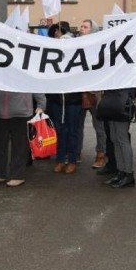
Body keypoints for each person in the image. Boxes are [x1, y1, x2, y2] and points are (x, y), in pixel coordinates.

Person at [0, 89, 45, 187]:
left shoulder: (25, 72)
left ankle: (17, 175)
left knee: (20, 145)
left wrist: (41, 104)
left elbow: (34, 80)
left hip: (20, 110)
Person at [46, 21, 83, 173]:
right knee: (60, 131)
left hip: (73, 101)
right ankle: (60, 159)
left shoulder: (76, 61)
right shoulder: (51, 60)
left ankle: (72, 160)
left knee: (72, 131)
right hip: (56, 100)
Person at [78, 19, 107, 169]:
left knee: (99, 126)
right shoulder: (75, 46)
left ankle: (101, 154)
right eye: (81, 27)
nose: (81, 29)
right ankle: (76, 152)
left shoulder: (99, 48)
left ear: (93, 30)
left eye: (85, 27)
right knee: (77, 125)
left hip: (95, 94)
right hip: (78, 93)